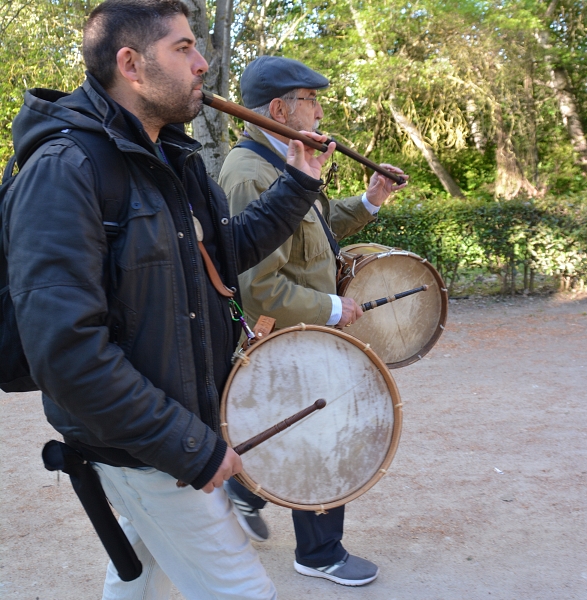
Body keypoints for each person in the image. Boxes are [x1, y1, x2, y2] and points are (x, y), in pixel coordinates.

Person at [3, 2, 336, 599]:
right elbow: (66, 349)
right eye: (183, 49)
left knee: (139, 568)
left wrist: (298, 181)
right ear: (130, 64)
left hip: (170, 426)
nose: (202, 63)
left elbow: (222, 253)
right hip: (145, 440)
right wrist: (189, 445)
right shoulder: (64, 168)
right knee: (245, 591)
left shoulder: (170, 157)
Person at [218, 55, 407, 587]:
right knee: (323, 432)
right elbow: (258, 288)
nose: (320, 111)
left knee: (301, 426)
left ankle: (246, 488)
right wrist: (333, 308)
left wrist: (371, 200)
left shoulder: (288, 159)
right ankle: (320, 553)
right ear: (279, 108)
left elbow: (314, 231)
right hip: (286, 336)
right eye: (311, 100)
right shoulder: (250, 174)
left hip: (304, 335)